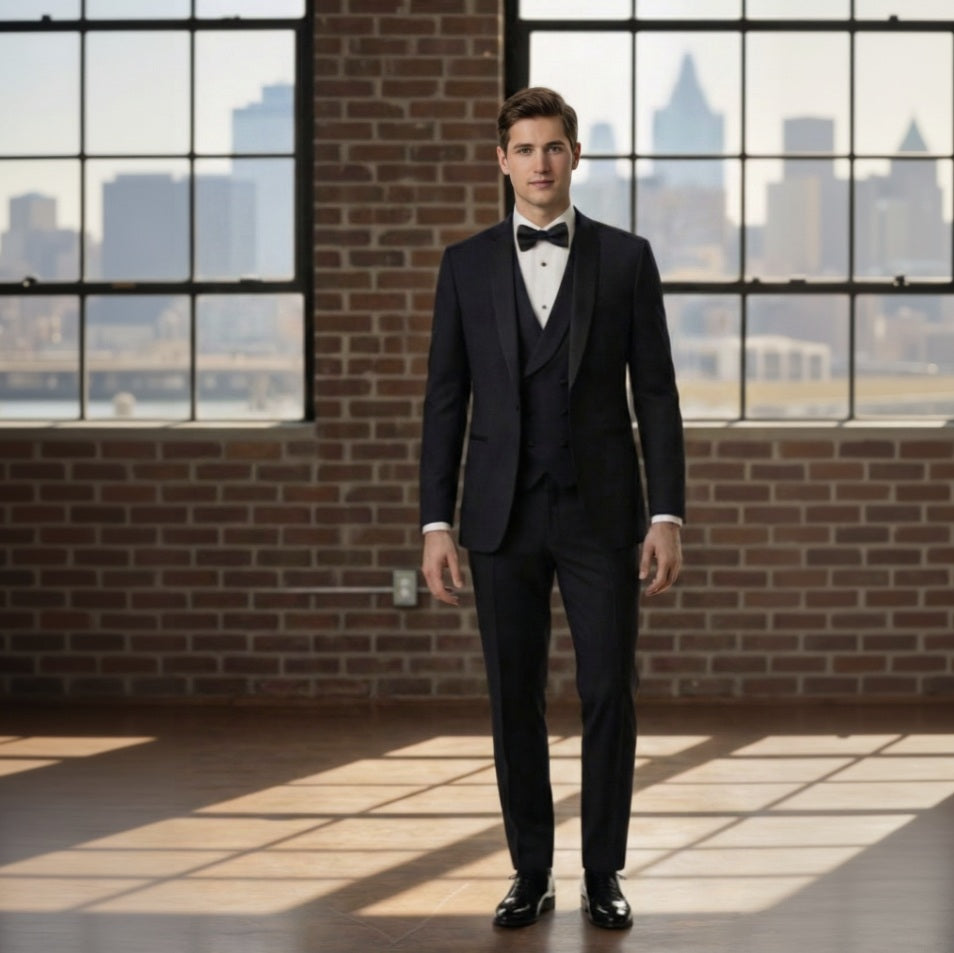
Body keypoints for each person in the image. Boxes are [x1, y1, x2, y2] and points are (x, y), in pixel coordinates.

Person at [419, 87, 685, 930]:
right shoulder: (464, 264)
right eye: (525, 149)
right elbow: (445, 400)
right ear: (502, 161)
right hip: (499, 517)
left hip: (602, 512)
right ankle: (530, 870)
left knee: (608, 691)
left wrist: (668, 513)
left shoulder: (627, 259)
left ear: (576, 156)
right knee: (514, 696)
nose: (540, 163)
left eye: (554, 147)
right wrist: (435, 523)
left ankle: (603, 871)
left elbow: (657, 394)